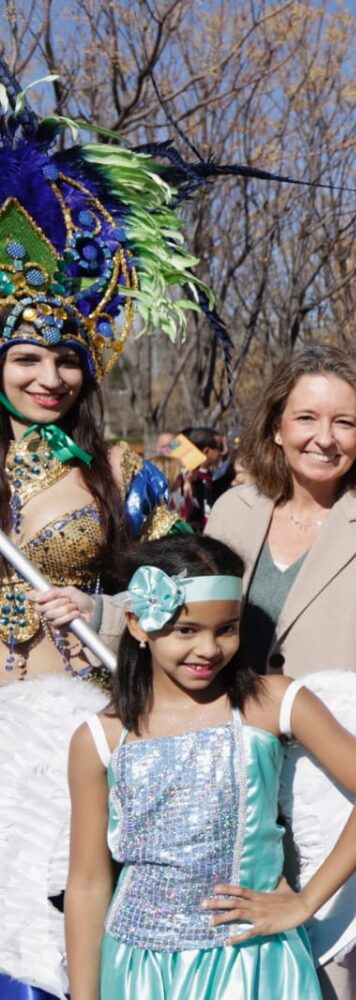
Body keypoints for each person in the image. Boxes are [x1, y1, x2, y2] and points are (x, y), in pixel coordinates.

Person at [63, 534, 356, 1000]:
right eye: (187, 630)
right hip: (139, 974)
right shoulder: (100, 738)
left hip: (250, 966)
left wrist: (304, 903)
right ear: (139, 625)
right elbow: (87, 881)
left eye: (226, 629)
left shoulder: (270, 702)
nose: (208, 648)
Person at [205, 345, 356, 996]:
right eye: (307, 417)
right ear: (276, 426)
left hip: (334, 792)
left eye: (344, 422)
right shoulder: (231, 511)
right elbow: (185, 621)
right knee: (232, 958)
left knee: (330, 968)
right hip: (230, 781)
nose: (324, 437)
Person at [0, 72, 194, 687]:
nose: (50, 378)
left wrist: (105, 610)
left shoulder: (121, 472)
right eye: (26, 359)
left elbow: (190, 585)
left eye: (67, 360)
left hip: (76, 712)